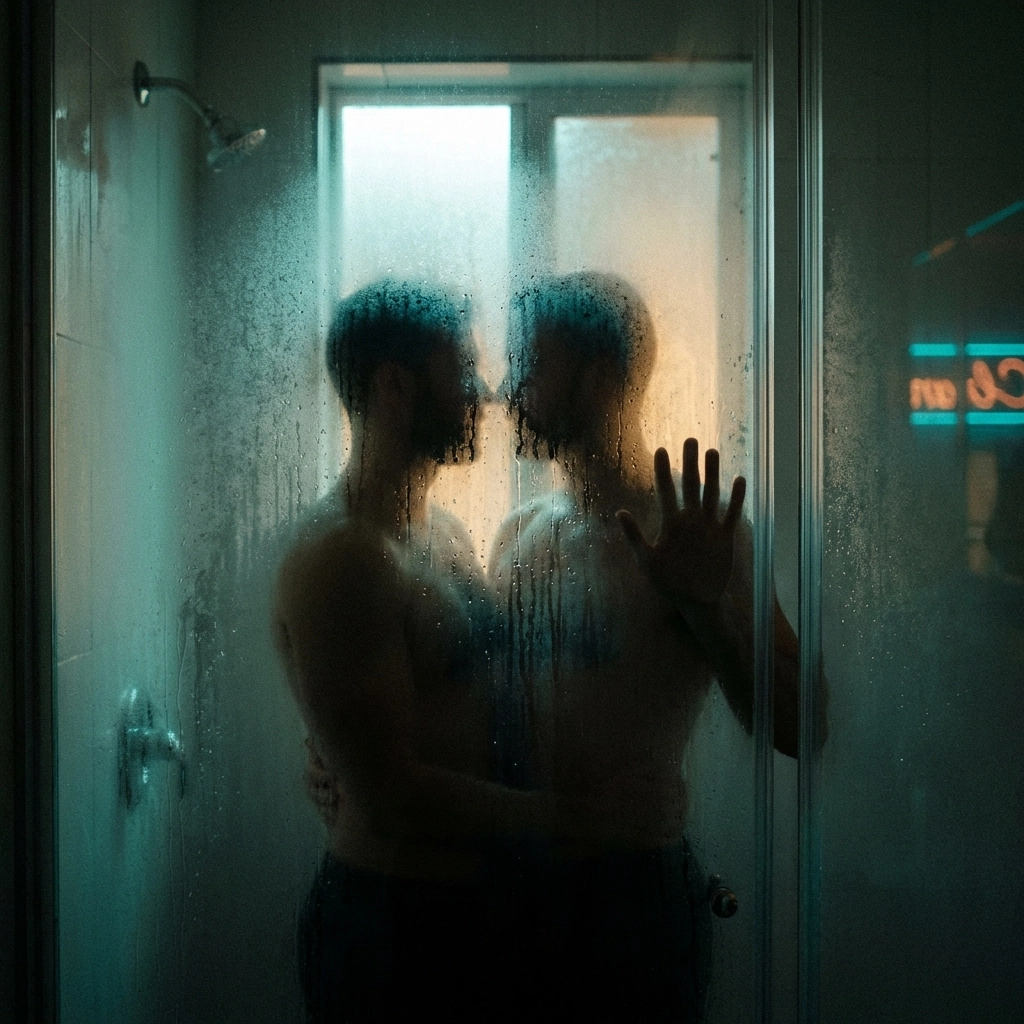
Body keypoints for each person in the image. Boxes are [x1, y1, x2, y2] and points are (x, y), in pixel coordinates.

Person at [491, 271, 804, 1022]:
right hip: (514, 880)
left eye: (531, 366)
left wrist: (705, 614)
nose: (509, 388)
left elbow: (801, 726)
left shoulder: (694, 535)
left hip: (631, 897)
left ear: (602, 380)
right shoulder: (518, 536)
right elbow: (492, 708)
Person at [273, 280, 554, 1023]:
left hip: (473, 912)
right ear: (394, 387)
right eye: (460, 369)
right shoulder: (342, 555)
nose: (485, 392)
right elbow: (393, 795)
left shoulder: (444, 535)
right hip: (394, 929)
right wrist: (587, 819)